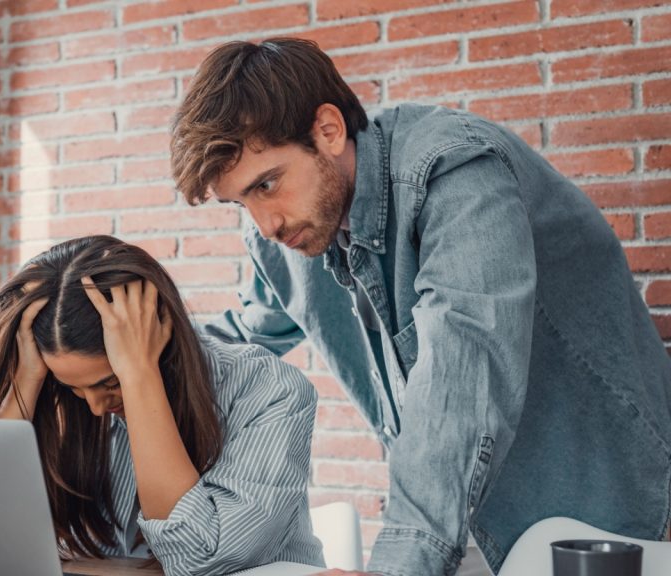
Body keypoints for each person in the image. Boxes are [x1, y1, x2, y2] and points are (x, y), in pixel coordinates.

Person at [170, 37, 671, 576]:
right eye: (241, 203)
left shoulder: (455, 170)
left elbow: (464, 380)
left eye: (267, 184)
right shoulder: (294, 233)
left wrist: (399, 564)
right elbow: (245, 333)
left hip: (603, 517)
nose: (265, 224)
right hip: (468, 523)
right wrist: (137, 356)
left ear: (329, 130)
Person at [0, 235, 324, 576]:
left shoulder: (268, 391)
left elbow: (198, 561)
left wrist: (139, 374)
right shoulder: (61, 399)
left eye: (109, 383)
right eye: (76, 389)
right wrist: (24, 386)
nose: (96, 407)